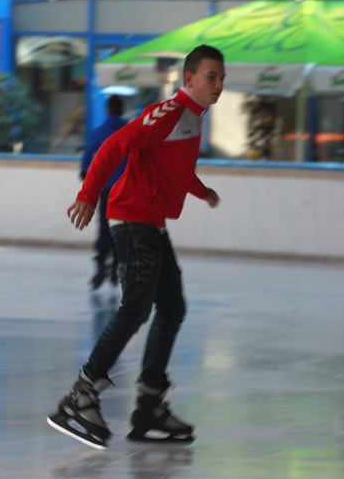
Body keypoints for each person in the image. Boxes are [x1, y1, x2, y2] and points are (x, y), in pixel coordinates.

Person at [47, 44, 224, 449]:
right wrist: (87, 195)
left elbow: (177, 169)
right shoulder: (170, 111)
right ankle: (81, 395)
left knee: (172, 308)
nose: (218, 84)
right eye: (211, 76)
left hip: (152, 223)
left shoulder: (192, 119)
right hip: (132, 219)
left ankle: (149, 405)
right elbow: (114, 146)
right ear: (189, 78)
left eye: (222, 78)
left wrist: (203, 192)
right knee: (136, 308)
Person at [80, 94, 128, 290]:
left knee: (104, 225)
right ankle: (116, 267)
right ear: (122, 110)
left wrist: (85, 173)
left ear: (107, 110)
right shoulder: (129, 131)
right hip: (125, 188)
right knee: (121, 226)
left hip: (106, 188)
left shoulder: (99, 132)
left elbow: (87, 155)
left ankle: (100, 266)